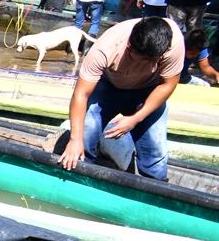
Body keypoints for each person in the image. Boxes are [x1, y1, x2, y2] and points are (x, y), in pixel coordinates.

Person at [59, 17, 183, 180]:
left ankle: (155, 192)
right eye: (147, 60)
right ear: (130, 48)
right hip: (109, 85)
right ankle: (80, 176)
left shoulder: (173, 43)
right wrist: (75, 139)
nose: (153, 66)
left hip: (150, 90)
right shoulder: (107, 47)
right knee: (86, 130)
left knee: (156, 149)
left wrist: (136, 118)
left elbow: (167, 84)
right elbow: (81, 94)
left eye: (157, 60)